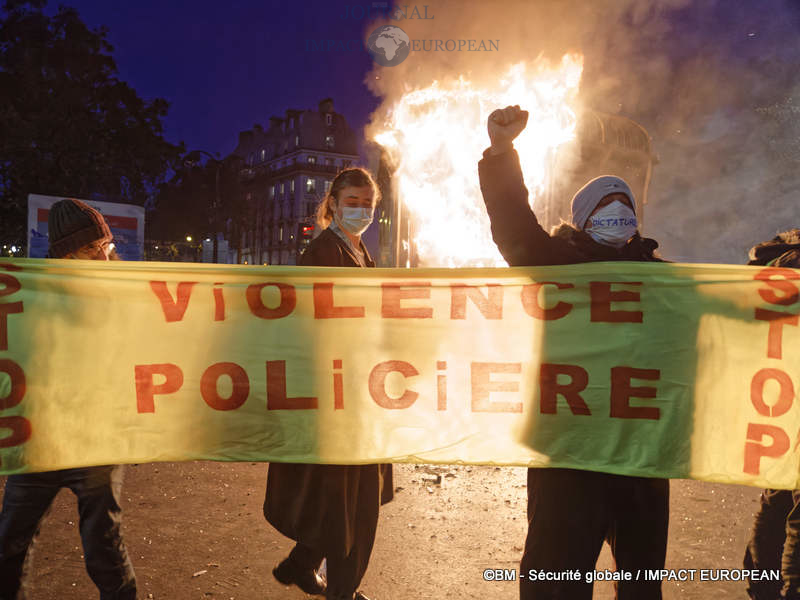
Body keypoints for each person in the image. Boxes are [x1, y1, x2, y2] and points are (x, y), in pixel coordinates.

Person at [478, 105, 669, 599]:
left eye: (624, 205)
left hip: (638, 453)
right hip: (569, 451)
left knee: (642, 583)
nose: (618, 215)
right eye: (606, 206)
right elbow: (514, 227)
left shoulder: (660, 277)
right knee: (556, 577)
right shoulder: (556, 263)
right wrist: (502, 151)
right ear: (584, 218)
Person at [264, 168, 393, 600]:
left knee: (348, 499)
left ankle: (303, 565)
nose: (360, 210)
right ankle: (341, 590)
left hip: (356, 392)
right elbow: (312, 323)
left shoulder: (358, 251)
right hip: (338, 396)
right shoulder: (324, 252)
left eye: (367, 203)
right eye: (351, 201)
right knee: (352, 504)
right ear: (333, 203)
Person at [0, 199, 136, 599]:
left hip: (95, 439)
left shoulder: (125, 293)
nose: (103, 256)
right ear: (64, 253)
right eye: (90, 249)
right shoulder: (28, 295)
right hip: (39, 435)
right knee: (9, 544)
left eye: (105, 246)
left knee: (103, 546)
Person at [743, 229, 800, 600]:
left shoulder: (783, 255)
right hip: (788, 395)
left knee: (779, 497)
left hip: (782, 400)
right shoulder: (790, 261)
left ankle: (763, 585)